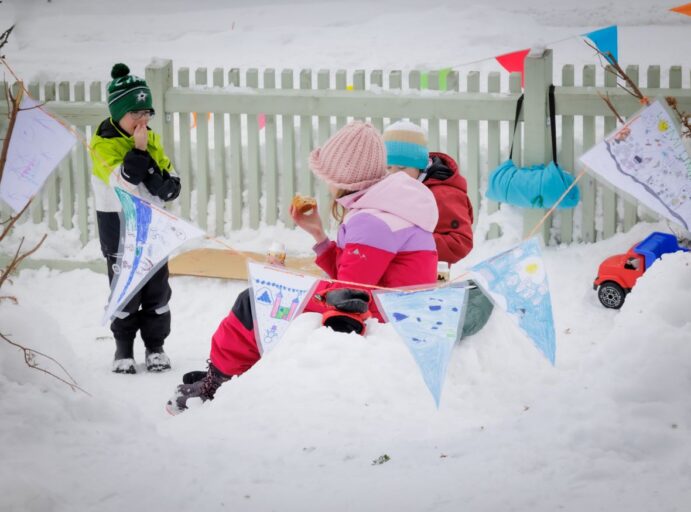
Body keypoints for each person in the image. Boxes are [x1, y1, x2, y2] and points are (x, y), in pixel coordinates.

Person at [167, 121, 439, 414]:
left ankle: (217, 382)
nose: (326, 184)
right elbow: (356, 279)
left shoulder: (372, 220)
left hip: (388, 315)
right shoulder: (382, 208)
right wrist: (319, 236)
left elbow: (351, 294)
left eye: (327, 176)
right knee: (269, 293)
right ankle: (227, 371)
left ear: (344, 177)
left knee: (255, 300)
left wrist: (284, 284)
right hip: (387, 304)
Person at [90, 63, 181, 374]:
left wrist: (162, 177)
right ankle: (123, 348)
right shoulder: (102, 144)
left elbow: (170, 180)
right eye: (135, 114)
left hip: (154, 229)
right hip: (120, 230)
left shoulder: (150, 139)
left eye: (147, 113)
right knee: (126, 292)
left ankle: (156, 347)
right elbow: (125, 182)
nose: (143, 121)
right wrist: (141, 153)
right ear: (118, 113)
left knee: (157, 292)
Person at [382, 120, 493, 338]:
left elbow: (460, 242)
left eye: (402, 168)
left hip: (431, 277)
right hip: (399, 275)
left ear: (420, 166)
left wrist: (412, 241)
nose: (394, 174)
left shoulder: (443, 194)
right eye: (388, 168)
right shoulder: (392, 187)